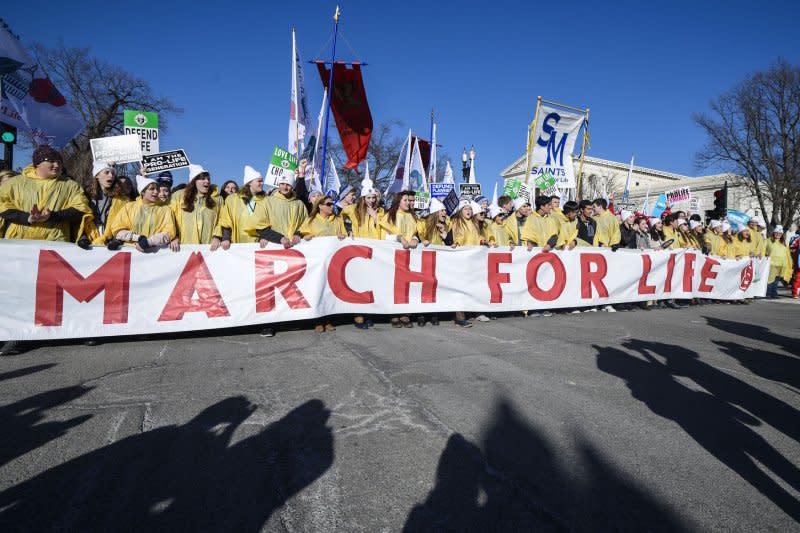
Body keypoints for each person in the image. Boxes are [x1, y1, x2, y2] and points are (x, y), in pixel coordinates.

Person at [247, 170, 309, 337]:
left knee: (290, 285)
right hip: (274, 248)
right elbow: (260, 226)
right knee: (270, 288)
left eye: (288, 184)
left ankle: (289, 319)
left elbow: (305, 224)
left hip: (293, 250)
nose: (285, 187)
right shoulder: (268, 202)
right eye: (282, 184)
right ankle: (268, 324)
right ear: (278, 185)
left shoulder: (299, 204)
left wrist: (298, 233)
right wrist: (279, 238)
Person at [0, 145, 90, 243]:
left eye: (59, 162)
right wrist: (26, 218)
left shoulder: (71, 185)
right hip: (18, 242)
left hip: (56, 243)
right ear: (38, 163)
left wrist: (52, 216)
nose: (56, 165)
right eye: (51, 161)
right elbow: (2, 205)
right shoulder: (14, 183)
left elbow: (81, 208)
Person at [340, 175, 384, 328]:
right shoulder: (353, 209)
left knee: (372, 283)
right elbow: (339, 216)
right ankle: (358, 315)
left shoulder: (381, 211)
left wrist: (377, 218)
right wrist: (347, 230)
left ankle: (369, 312)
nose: (371, 201)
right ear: (363, 198)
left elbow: (387, 228)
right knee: (359, 283)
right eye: (368, 198)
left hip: (375, 251)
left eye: (373, 198)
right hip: (359, 250)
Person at [299, 195, 346, 332]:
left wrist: (343, 236)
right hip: (317, 263)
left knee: (330, 290)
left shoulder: (337, 220)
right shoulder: (311, 220)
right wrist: (305, 237)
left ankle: (329, 319)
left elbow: (344, 235)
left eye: (332, 204)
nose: (332, 207)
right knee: (317, 289)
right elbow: (302, 234)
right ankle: (318, 320)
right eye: (328, 204)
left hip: (333, 262)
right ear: (320, 206)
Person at [379, 191, 420, 328]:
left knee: (407, 285)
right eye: (405, 200)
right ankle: (393, 313)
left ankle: (405, 312)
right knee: (393, 284)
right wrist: (398, 238)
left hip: (409, 255)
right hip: (392, 254)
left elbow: (416, 233)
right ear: (398, 201)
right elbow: (384, 236)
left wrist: (415, 239)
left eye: (410, 200)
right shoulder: (390, 215)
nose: (409, 203)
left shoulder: (413, 216)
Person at [107, 175, 177, 252]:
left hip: (155, 253)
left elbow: (169, 232)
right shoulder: (129, 207)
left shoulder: (165, 210)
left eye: (157, 189)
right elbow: (117, 230)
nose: (156, 192)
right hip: (130, 252)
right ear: (143, 192)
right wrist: (138, 238)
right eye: (152, 189)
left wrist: (149, 242)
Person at [76, 161, 130, 247]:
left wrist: (117, 240)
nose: (111, 175)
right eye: (107, 172)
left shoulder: (123, 200)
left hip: (112, 242)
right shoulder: (85, 196)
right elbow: (80, 220)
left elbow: (126, 222)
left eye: (113, 173)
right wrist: (83, 238)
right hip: (89, 240)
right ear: (97, 175)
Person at [211, 165, 265, 249]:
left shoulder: (264, 200)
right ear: (250, 182)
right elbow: (226, 221)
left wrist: (264, 237)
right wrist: (225, 238)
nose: (262, 183)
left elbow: (266, 222)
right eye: (259, 181)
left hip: (257, 245)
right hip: (236, 247)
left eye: (262, 181)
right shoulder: (232, 199)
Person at [169, 164, 221, 251]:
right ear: (194, 181)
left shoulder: (217, 199)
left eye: (208, 179)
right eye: (202, 179)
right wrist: (174, 236)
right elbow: (170, 218)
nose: (207, 181)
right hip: (184, 248)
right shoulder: (178, 196)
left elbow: (222, 219)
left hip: (208, 250)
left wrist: (217, 236)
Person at [765, 226, 792, 298]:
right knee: (770, 279)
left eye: (780, 233)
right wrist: (765, 255)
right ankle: (768, 293)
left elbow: (787, 253)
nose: (778, 234)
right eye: (776, 233)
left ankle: (774, 293)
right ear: (774, 233)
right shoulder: (768, 240)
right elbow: (763, 249)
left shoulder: (783, 242)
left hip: (781, 264)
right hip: (772, 263)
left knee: (776, 280)